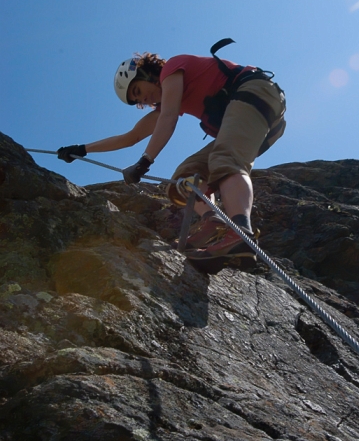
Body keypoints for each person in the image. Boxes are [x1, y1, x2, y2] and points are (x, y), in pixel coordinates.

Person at [57, 39, 286, 272]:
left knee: (225, 160)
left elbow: (169, 118)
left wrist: (144, 162)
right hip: (256, 118)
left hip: (256, 93)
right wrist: (82, 149)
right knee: (184, 178)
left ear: (147, 73)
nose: (142, 100)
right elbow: (131, 136)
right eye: (137, 101)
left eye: (137, 91)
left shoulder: (173, 67)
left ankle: (240, 233)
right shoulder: (169, 100)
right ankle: (214, 222)